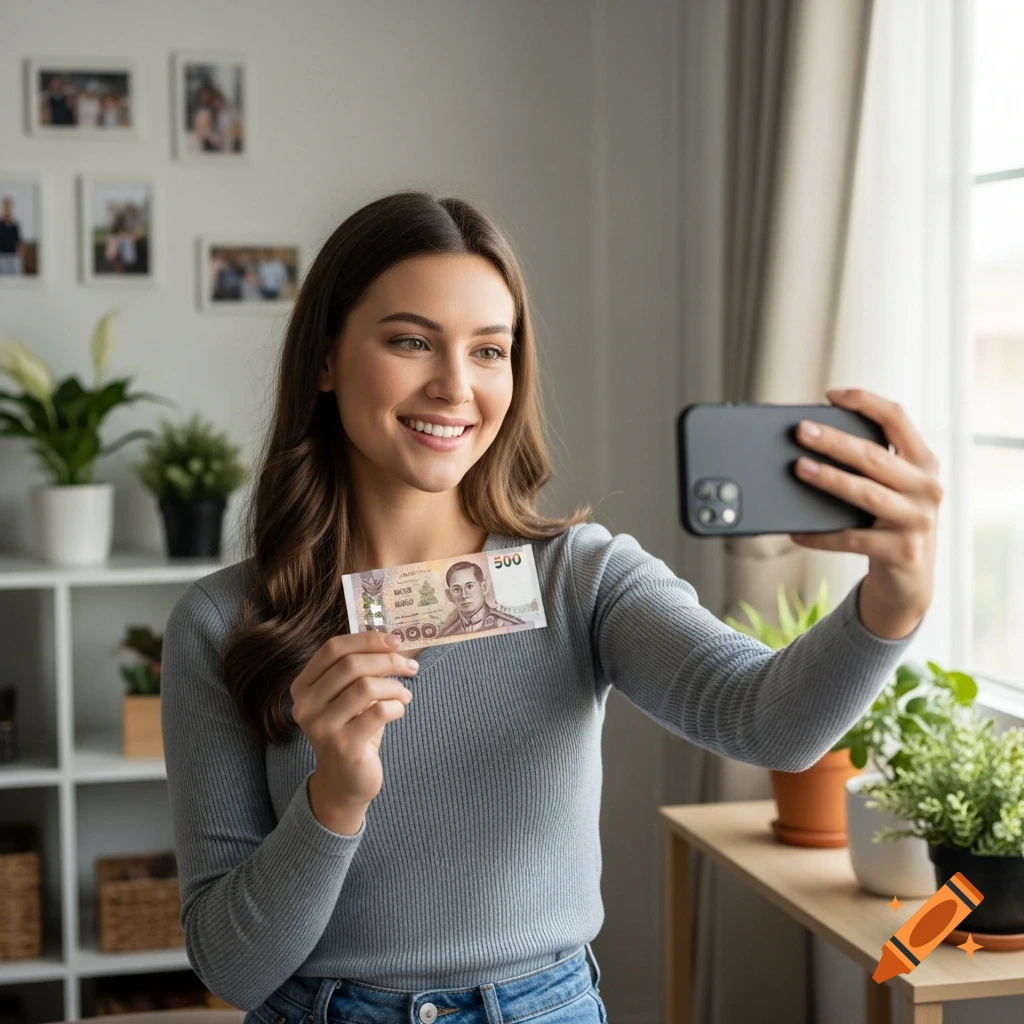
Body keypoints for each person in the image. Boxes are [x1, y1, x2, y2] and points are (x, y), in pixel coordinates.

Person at [162, 191, 941, 1022]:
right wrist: (336, 799)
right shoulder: (220, 623)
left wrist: (896, 598)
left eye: (489, 350)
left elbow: (772, 726)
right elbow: (232, 970)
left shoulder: (582, 577)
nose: (455, 386)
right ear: (325, 359)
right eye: (411, 341)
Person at [436, 560, 526, 635]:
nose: (464, 595)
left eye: (470, 586)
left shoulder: (510, 625)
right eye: (456, 589)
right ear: (449, 595)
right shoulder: (446, 634)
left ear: (484, 588)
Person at [0, 197, 25, 276]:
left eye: (9, 206)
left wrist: (21, 257)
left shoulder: (15, 226)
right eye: (6, 206)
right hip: (2, 257)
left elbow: (19, 242)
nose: (7, 209)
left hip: (14, 258)